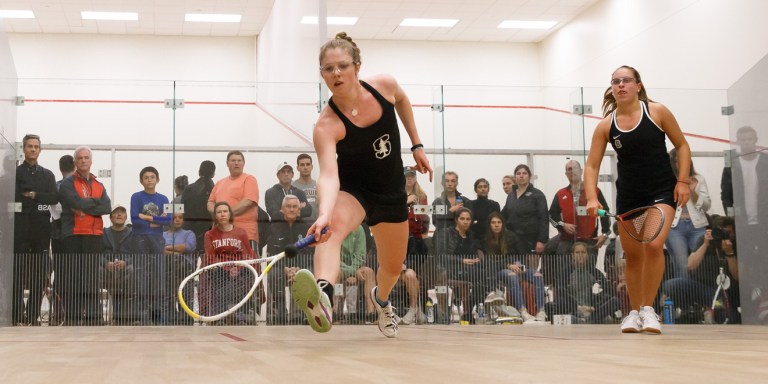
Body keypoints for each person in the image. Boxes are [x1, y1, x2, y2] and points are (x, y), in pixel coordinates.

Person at [291, 32, 432, 338]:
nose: (336, 73)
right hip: (355, 191)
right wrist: (324, 213)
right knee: (330, 232)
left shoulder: (385, 86)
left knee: (393, 268)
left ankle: (380, 300)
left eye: (342, 66)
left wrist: (417, 144)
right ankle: (323, 294)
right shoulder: (327, 124)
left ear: (356, 66)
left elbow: (403, 100)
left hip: (392, 191)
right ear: (322, 74)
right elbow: (328, 174)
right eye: (329, 69)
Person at [584, 65, 691, 334]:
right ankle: (633, 312)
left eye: (626, 81)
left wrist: (682, 181)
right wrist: (591, 197)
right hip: (629, 195)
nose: (620, 85)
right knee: (632, 257)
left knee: (654, 245)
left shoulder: (657, 112)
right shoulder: (606, 125)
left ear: (638, 85)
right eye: (615, 81)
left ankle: (648, 310)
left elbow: (682, 145)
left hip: (661, 191)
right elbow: (592, 166)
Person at [58, 146, 112, 325]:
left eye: (86, 158)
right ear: (75, 161)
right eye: (79, 158)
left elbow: (106, 207)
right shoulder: (67, 183)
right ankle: (72, 317)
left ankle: (94, 317)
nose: (82, 161)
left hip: (94, 235)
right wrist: (93, 205)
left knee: (91, 277)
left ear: (91, 161)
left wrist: (85, 206)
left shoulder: (99, 184)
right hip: (73, 234)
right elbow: (73, 201)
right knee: (73, 277)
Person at [13, 134, 58, 326]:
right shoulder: (13, 174)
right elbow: (14, 199)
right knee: (17, 272)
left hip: (41, 229)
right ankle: (16, 315)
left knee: (39, 275)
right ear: (23, 148)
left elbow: (53, 198)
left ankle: (32, 316)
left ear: (40, 150)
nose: (32, 149)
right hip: (19, 229)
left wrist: (32, 194)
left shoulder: (47, 175)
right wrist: (38, 197)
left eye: (36, 146)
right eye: (29, 146)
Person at [661, 215, 740, 324]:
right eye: (721, 232)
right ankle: (689, 310)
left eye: (728, 232)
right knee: (671, 284)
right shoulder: (705, 241)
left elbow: (737, 276)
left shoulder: (737, 245)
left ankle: (713, 312)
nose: (724, 235)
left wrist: (729, 253)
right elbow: (690, 265)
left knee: (732, 319)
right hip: (702, 287)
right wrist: (705, 245)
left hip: (725, 291)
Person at [203, 202, 258, 325]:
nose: (222, 214)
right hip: (220, 270)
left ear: (230, 214)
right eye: (219, 212)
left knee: (247, 274)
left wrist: (237, 268)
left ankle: (243, 316)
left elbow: (247, 255)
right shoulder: (209, 235)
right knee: (218, 275)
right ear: (216, 216)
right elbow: (211, 257)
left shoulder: (241, 233)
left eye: (225, 211)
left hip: (240, 269)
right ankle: (221, 317)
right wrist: (228, 268)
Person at [130, 166, 171, 325]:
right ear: (141, 180)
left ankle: (159, 315)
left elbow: (168, 221)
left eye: (152, 177)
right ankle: (143, 315)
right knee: (141, 277)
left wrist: (145, 217)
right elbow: (135, 219)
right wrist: (155, 220)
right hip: (139, 239)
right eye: (146, 177)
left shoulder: (165, 199)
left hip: (157, 240)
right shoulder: (136, 197)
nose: (149, 180)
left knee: (158, 277)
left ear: (158, 179)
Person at [264, 195, 313, 325]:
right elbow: (272, 253)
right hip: (281, 269)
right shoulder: (273, 228)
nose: (291, 209)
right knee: (274, 273)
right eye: (288, 206)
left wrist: (298, 269)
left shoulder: (307, 228)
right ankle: (280, 312)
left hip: (301, 267)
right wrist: (285, 269)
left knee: (309, 272)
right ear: (282, 210)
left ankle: (300, 313)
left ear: (299, 210)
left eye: (294, 207)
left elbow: (309, 254)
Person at [433, 208, 486, 324]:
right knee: (481, 275)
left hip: (466, 269)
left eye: (468, 219)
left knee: (485, 276)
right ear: (456, 220)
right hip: (447, 268)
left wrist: (476, 258)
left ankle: (470, 310)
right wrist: (462, 260)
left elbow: (474, 254)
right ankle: (444, 311)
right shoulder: (445, 233)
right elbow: (441, 256)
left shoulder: (471, 236)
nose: (465, 222)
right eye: (462, 219)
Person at [546, 242, 620, 324]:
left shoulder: (593, 271)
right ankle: (589, 322)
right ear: (573, 255)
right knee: (555, 304)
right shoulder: (566, 272)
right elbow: (561, 293)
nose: (580, 255)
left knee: (614, 301)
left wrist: (592, 307)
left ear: (587, 255)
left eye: (583, 252)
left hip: (591, 310)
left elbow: (608, 290)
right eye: (577, 252)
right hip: (573, 311)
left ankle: (585, 321)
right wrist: (578, 307)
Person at [666, 148, 710, 279]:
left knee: (702, 261)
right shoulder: (667, 180)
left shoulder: (698, 179)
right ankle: (683, 298)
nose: (680, 164)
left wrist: (692, 190)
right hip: (675, 227)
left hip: (697, 225)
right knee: (681, 265)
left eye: (683, 160)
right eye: (676, 161)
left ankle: (699, 294)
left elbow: (706, 206)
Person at [207, 151, 261, 250]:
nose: (236, 163)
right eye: (233, 160)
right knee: (222, 265)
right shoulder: (219, 183)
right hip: (221, 236)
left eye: (239, 160)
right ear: (227, 163)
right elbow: (210, 203)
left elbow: (248, 201)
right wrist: (219, 214)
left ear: (243, 163)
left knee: (249, 265)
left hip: (245, 235)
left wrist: (224, 215)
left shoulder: (249, 179)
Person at [402, 166, 429, 325]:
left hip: (417, 241)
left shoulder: (422, 196)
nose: (409, 179)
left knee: (415, 274)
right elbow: (394, 215)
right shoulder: (397, 195)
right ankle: (415, 309)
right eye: (407, 176)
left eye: (412, 176)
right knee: (407, 274)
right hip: (400, 240)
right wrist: (406, 203)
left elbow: (423, 218)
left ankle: (417, 309)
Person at [502, 164, 549, 255]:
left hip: (531, 240)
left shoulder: (538, 195)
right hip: (513, 240)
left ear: (529, 177)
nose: (521, 175)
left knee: (531, 268)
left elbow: (544, 218)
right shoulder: (511, 195)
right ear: (515, 177)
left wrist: (541, 240)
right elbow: (504, 214)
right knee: (516, 267)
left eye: (524, 173)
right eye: (518, 173)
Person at [102, 205, 136, 325]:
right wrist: (106, 263)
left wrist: (125, 262)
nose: (119, 215)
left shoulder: (133, 234)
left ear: (126, 217)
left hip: (126, 269)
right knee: (95, 270)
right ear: (111, 218)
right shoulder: (103, 233)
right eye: (116, 213)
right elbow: (97, 253)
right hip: (107, 270)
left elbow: (137, 254)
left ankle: (125, 315)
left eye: (122, 213)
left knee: (132, 270)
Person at [163, 213, 197, 324]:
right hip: (167, 271)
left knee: (186, 297)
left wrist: (168, 248)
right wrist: (178, 251)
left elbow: (188, 247)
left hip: (185, 270)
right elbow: (159, 250)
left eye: (180, 217)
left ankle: (186, 320)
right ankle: (170, 319)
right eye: (174, 217)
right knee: (167, 297)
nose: (177, 220)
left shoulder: (189, 233)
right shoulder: (162, 235)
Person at [182, 160, 215, 253]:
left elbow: (182, 209)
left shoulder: (189, 188)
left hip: (190, 228)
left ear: (199, 171)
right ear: (213, 173)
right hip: (209, 229)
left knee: (191, 260)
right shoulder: (215, 189)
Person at [469, 178, 501, 242]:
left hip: (492, 238)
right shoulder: (470, 204)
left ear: (488, 189)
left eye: (485, 187)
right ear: (475, 190)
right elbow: (470, 224)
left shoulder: (495, 204)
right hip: (475, 238)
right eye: (480, 187)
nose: (483, 189)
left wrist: (478, 222)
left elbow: (497, 223)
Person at [293, 153, 319, 223]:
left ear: (312, 167)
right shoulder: (292, 186)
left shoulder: (319, 185)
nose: (305, 167)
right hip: (298, 227)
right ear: (297, 168)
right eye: (302, 165)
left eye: (308, 164)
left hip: (316, 226)